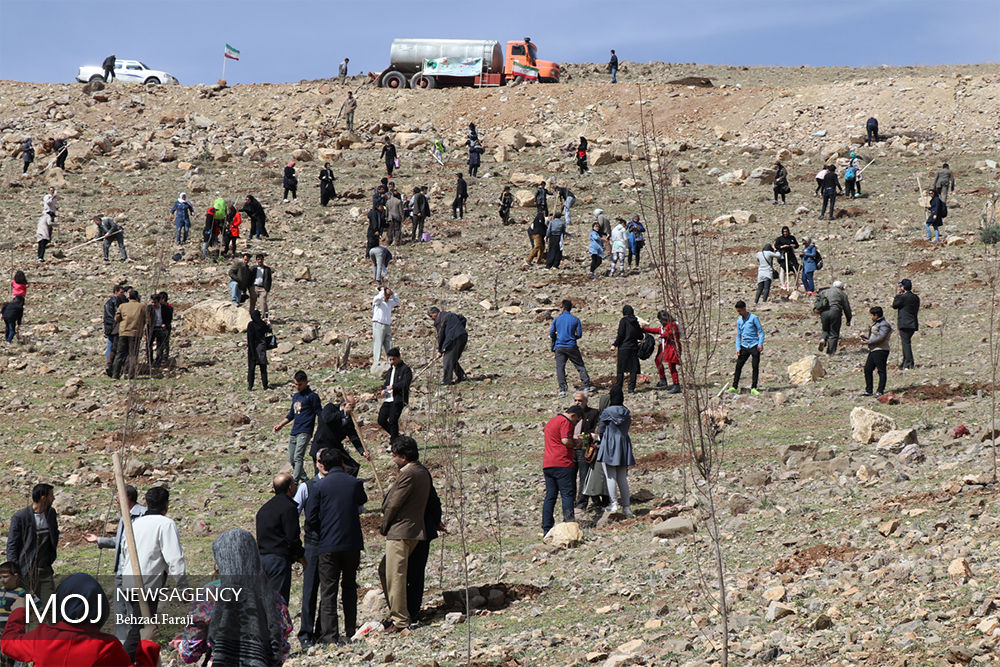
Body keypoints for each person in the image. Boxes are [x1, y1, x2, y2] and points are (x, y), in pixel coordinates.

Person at [173, 528, 291, 665]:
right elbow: (281, 649)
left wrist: (180, 644)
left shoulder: (210, 595)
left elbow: (190, 654)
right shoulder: (274, 598)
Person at [300, 448, 366, 645]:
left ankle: (330, 635)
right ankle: (351, 629)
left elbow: (310, 518)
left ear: (324, 466)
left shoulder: (319, 486)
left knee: (328, 591)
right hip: (352, 543)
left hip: (328, 545)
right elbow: (361, 504)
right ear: (343, 463)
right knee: (349, 587)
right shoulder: (355, 483)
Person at [1, 572, 132, 667]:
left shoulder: (43, 637)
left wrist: (18, 611)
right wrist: (147, 645)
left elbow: (8, 643)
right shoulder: (108, 646)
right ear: (100, 606)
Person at [118, 486, 186, 661]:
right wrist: (182, 585)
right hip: (146, 585)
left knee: (142, 626)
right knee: (141, 629)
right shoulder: (166, 524)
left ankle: (143, 659)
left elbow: (125, 552)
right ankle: (122, 661)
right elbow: (174, 558)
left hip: (130, 581)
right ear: (166, 505)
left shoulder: (135, 523)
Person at [379, 437, 430, 633]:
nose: (393, 459)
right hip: (411, 530)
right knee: (386, 570)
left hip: (401, 531)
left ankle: (400, 619)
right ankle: (397, 610)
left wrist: (385, 524)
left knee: (395, 575)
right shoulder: (421, 471)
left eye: (395, 455)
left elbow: (394, 504)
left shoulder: (409, 474)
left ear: (404, 456)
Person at [84, 484, 146, 641]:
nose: (116, 501)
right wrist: (99, 540)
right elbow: (121, 542)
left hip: (134, 572)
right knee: (120, 611)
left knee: (133, 610)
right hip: (120, 571)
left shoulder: (143, 515)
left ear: (128, 498)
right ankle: (121, 644)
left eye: (118, 498)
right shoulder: (124, 517)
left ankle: (135, 643)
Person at [256, 474, 305, 605]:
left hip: (261, 559)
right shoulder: (289, 508)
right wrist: (301, 557)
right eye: (294, 484)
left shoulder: (263, 509)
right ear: (290, 488)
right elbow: (292, 538)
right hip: (278, 561)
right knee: (278, 603)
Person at [406, 458, 442, 627]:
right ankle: (411, 611)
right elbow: (434, 501)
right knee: (415, 573)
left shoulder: (412, 474)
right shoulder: (422, 472)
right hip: (422, 529)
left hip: (411, 531)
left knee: (412, 572)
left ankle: (408, 612)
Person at [5, 483, 58, 600]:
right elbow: (12, 546)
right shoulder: (20, 517)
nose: (53, 498)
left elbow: (54, 536)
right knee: (25, 606)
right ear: (43, 498)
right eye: (51, 496)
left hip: (44, 569)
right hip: (25, 571)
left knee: (49, 605)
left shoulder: (51, 514)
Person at [274, 370, 323, 482]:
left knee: (298, 457)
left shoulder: (312, 396)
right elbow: (292, 414)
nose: (297, 387)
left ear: (306, 382)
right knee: (292, 459)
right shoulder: (296, 397)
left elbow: (319, 413)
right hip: (294, 431)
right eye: (296, 384)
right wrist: (280, 425)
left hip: (305, 430)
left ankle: (295, 482)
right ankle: (306, 480)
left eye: (300, 384)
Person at [541, 405, 583, 534]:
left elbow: (557, 438)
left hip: (548, 463)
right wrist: (576, 443)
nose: (575, 423)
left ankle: (547, 527)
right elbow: (565, 441)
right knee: (567, 495)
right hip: (562, 463)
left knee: (550, 496)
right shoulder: (566, 422)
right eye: (576, 421)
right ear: (573, 416)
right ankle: (569, 525)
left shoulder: (552, 421)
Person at [597, 385, 635, 517]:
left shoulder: (607, 412)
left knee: (610, 476)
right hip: (623, 444)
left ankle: (613, 504)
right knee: (622, 478)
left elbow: (601, 430)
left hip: (609, 444)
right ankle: (627, 507)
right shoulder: (626, 411)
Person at [311, 396, 369, 478]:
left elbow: (353, 436)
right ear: (344, 404)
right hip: (321, 446)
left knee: (353, 467)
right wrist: (343, 413)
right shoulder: (330, 407)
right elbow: (326, 418)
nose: (352, 409)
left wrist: (362, 451)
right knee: (321, 474)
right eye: (351, 407)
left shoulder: (349, 418)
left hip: (335, 448)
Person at [550, 299, 592, 398]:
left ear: (563, 308)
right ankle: (586, 384)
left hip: (560, 346)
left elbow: (552, 333)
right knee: (579, 365)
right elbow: (579, 334)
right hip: (571, 345)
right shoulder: (575, 319)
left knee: (560, 368)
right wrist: (573, 337)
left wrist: (555, 341)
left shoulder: (556, 319)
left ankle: (562, 389)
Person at [571, 392, 603, 510]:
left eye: (580, 401)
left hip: (585, 449)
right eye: (575, 400)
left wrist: (585, 436)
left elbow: (596, 430)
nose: (577, 403)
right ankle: (572, 501)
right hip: (571, 449)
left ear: (586, 401)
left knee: (584, 477)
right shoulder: (571, 413)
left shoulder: (593, 413)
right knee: (571, 477)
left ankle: (581, 503)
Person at [728, 301, 764, 395]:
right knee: (738, 366)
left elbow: (761, 332)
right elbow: (739, 335)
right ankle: (734, 387)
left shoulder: (754, 318)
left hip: (754, 345)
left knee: (755, 366)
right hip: (744, 346)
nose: (739, 313)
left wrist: (760, 344)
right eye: (737, 311)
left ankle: (754, 387)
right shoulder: (739, 321)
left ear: (744, 308)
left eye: (740, 311)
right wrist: (737, 347)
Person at [378, 348, 412, 442]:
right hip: (388, 398)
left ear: (398, 358)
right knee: (381, 419)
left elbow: (405, 384)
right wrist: (384, 390)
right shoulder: (390, 370)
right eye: (390, 359)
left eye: (394, 359)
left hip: (398, 399)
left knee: (393, 420)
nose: (392, 361)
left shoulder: (405, 369)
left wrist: (393, 387)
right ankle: (396, 437)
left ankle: (394, 442)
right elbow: (387, 383)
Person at [112, 289, 147, 380]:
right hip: (135, 333)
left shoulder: (122, 306)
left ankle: (115, 375)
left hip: (123, 332)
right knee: (133, 355)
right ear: (137, 297)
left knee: (119, 353)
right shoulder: (142, 306)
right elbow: (147, 319)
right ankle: (131, 375)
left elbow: (117, 318)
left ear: (128, 297)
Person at [643, 310, 681, 392]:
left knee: (672, 366)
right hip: (666, 347)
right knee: (658, 360)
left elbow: (670, 333)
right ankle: (663, 380)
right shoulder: (665, 326)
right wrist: (645, 329)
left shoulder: (672, 325)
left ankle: (676, 384)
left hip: (672, 348)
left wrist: (662, 336)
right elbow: (657, 330)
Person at [429, 306, 469, 385]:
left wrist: (440, 350)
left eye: (431, 316)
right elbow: (463, 319)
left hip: (453, 338)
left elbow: (441, 335)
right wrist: (460, 329)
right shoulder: (449, 314)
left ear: (435, 313)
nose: (431, 318)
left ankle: (446, 380)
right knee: (452, 359)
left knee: (447, 359)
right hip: (463, 336)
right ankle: (462, 376)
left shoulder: (439, 319)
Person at [861, 306, 893, 397]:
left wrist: (869, 341)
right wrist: (867, 339)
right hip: (873, 349)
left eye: (872, 315)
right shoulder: (875, 323)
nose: (871, 317)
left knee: (881, 371)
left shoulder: (884, 324)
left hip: (881, 350)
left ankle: (880, 391)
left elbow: (882, 338)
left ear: (876, 315)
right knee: (867, 369)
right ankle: (869, 390)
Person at [612, 305, 643, 393]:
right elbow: (640, 336)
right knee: (633, 369)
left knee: (621, 369)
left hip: (623, 348)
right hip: (633, 348)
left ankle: (619, 387)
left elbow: (621, 334)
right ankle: (631, 388)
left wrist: (614, 344)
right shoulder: (635, 321)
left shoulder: (623, 321)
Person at [816, 280, 852, 355]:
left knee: (825, 329)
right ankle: (830, 353)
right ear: (841, 287)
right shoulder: (842, 294)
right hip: (835, 312)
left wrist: (815, 310)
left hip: (824, 313)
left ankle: (823, 339)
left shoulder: (824, 291)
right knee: (834, 333)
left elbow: (817, 301)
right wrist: (848, 319)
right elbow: (846, 307)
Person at [892, 279, 920, 370]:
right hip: (913, 323)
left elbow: (895, 305)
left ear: (903, 287)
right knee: (907, 342)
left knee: (906, 343)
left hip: (904, 323)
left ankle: (909, 363)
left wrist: (898, 295)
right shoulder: (915, 297)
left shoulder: (903, 297)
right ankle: (905, 362)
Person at [0, 561, 27, 653]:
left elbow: (37, 604)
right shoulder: (1, 590)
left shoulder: (21, 592)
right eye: (0, 577)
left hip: (10, 626)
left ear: (15, 576)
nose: (2, 580)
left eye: (5, 577)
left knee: (11, 651)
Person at [102, 283, 126, 375]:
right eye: (121, 292)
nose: (123, 294)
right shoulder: (110, 303)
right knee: (111, 345)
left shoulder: (120, 301)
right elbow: (110, 317)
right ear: (115, 292)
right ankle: (109, 364)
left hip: (116, 327)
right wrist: (116, 324)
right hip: (112, 328)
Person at [372, 286, 400, 363]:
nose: (388, 297)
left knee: (389, 344)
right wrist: (382, 291)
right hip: (378, 324)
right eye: (387, 295)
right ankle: (376, 362)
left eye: (389, 295)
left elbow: (397, 301)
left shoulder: (390, 302)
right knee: (378, 344)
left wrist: (393, 293)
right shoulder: (379, 301)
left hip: (387, 325)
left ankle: (390, 361)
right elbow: (377, 299)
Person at [247, 309, 271, 390]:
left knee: (251, 368)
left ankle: (250, 386)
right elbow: (269, 330)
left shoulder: (251, 325)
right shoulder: (262, 324)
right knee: (263, 368)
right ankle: (265, 385)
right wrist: (268, 323)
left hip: (252, 349)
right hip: (261, 348)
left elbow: (249, 339)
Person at [146, 292, 169, 367]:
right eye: (152, 302)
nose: (153, 304)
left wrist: (165, 324)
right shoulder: (149, 308)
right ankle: (150, 360)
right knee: (149, 345)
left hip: (160, 327)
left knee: (160, 345)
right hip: (151, 328)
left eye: (155, 302)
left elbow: (168, 318)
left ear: (159, 301)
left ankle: (158, 361)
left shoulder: (165, 308)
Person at [249, 253, 273, 320]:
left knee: (263, 304)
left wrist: (267, 289)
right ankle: (251, 317)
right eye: (258, 259)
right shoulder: (253, 268)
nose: (260, 261)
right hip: (254, 287)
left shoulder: (267, 269)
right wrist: (250, 287)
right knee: (252, 303)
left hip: (263, 288)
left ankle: (265, 317)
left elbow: (269, 280)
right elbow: (249, 278)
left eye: (261, 259)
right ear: (256, 260)